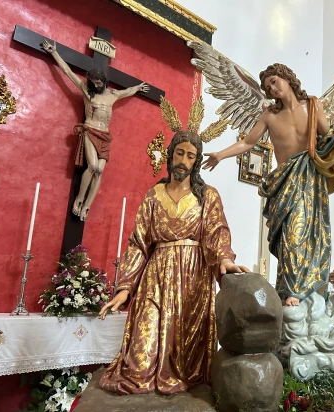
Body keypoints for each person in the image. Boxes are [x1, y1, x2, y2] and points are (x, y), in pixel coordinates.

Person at [202, 64, 334, 307]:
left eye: (274, 81)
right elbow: (248, 142)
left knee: (310, 237)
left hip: (310, 181)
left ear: (287, 78)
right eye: (267, 86)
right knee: (289, 237)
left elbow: (331, 143)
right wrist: (220, 154)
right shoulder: (269, 116)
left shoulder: (313, 106)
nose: (271, 88)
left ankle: (301, 292)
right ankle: (290, 290)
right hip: (285, 182)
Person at [98, 129, 249, 395]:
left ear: (196, 161)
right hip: (155, 278)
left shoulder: (208, 196)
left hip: (193, 280)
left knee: (185, 358)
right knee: (139, 365)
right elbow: (139, 243)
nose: (183, 160)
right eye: (179, 153)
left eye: (191, 156)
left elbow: (217, 233)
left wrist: (225, 259)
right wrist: (125, 287)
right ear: (171, 155)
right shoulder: (154, 195)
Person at [41, 40, 150, 221]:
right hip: (90, 130)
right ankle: (79, 199)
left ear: (104, 81)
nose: (96, 85)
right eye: (93, 82)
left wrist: (138, 88)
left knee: (99, 170)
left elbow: (128, 91)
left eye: (99, 82)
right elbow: (68, 72)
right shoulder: (86, 90)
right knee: (92, 167)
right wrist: (54, 53)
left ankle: (87, 206)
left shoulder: (113, 94)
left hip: (105, 135)